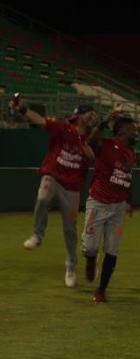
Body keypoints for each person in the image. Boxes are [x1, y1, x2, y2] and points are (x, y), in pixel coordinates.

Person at [10, 97, 96, 288]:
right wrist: (23, 109)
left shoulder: (91, 137)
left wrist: (89, 150)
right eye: (90, 113)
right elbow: (40, 121)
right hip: (53, 176)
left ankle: (71, 267)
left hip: (72, 187)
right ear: (80, 115)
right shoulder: (63, 128)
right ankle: (38, 235)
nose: (93, 117)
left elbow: (95, 156)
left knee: (70, 229)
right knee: (42, 198)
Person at [81, 115, 138, 303]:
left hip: (118, 207)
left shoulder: (131, 153)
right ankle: (90, 259)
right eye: (133, 128)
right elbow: (90, 141)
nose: (136, 131)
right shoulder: (105, 145)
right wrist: (105, 121)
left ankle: (101, 289)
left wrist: (129, 201)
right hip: (98, 202)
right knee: (91, 247)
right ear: (122, 131)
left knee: (112, 250)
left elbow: (127, 178)